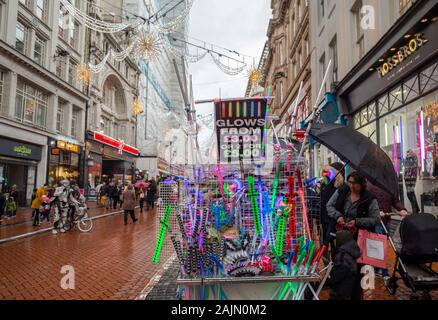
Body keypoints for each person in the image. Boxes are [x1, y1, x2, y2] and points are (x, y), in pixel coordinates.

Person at [327, 171, 380, 300]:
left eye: (355, 183)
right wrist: (338, 216)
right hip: (341, 238)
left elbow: (375, 219)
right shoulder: (342, 192)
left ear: (361, 184)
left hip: (359, 240)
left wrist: (357, 221)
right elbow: (329, 206)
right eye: (349, 182)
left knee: (357, 270)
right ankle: (340, 294)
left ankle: (356, 295)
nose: (351, 185)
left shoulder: (369, 198)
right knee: (340, 266)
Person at [367, 182, 408, 279]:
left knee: (382, 245)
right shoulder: (370, 185)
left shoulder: (390, 186)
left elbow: (395, 200)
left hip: (386, 220)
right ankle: (382, 271)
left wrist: (402, 209)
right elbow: (366, 202)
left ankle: (377, 268)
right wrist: (376, 211)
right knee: (379, 246)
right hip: (375, 221)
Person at [319, 162, 346, 261]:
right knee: (324, 246)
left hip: (335, 222)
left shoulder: (341, 188)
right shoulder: (325, 186)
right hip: (324, 221)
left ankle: (335, 266)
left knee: (336, 246)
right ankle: (328, 268)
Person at [327, 230, 362, 300]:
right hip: (348, 291)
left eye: (336, 239)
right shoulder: (350, 251)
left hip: (339, 293)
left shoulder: (342, 255)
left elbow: (338, 275)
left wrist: (327, 281)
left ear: (341, 240)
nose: (334, 241)